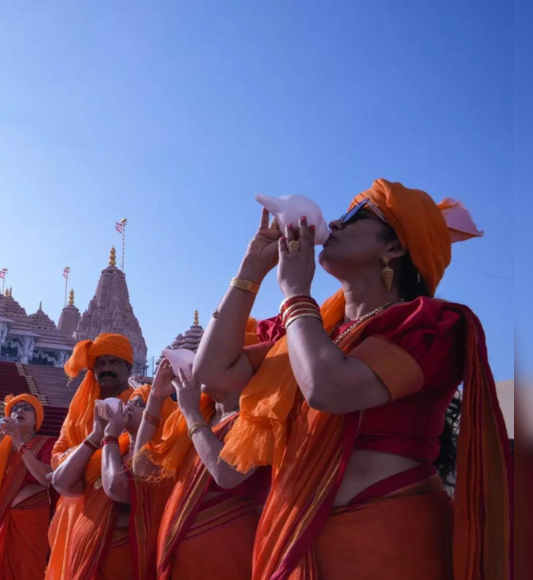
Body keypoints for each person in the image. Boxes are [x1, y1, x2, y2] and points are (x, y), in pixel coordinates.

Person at [194, 179, 512, 579]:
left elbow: (329, 388)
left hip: (387, 540)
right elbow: (215, 374)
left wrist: (295, 293)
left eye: (356, 216)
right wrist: (252, 268)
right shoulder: (316, 332)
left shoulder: (429, 324)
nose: (336, 224)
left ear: (394, 248)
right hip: (293, 539)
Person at [133, 323, 269, 580]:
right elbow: (142, 467)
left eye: (222, 359)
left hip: (226, 553)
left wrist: (191, 412)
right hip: (179, 551)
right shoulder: (199, 418)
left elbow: (227, 475)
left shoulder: (259, 418)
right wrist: (155, 398)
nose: (206, 365)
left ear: (249, 371)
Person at [47, 333, 137, 580]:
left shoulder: (140, 403)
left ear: (128, 366)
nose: (106, 368)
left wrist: (78, 460)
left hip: (118, 510)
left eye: (114, 362)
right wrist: (89, 451)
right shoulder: (80, 408)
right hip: (73, 510)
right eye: (101, 363)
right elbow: (57, 455)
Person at [98, 383, 176, 580]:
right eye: (129, 401)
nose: (129, 406)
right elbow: (62, 482)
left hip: (133, 558)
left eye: (139, 403)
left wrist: (109, 436)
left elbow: (117, 487)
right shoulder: (119, 450)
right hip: (100, 555)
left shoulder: (161, 458)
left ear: (158, 415)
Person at [0, 394, 56, 580]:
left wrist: (20, 443)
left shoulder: (46, 443)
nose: (19, 410)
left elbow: (45, 478)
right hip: (0, 519)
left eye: (27, 408)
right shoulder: (2, 448)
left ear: (37, 420)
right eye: (15, 408)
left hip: (31, 523)